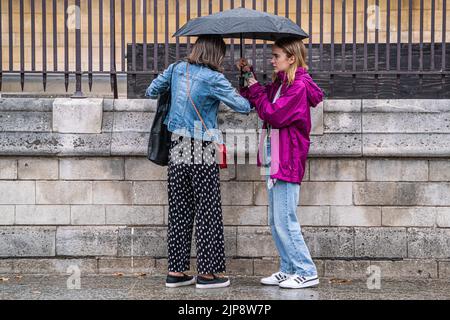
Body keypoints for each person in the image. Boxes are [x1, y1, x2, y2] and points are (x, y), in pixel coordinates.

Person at [146, 35, 251, 289]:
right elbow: (244, 106)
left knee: (180, 208)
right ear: (217, 55)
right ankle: (207, 274)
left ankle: (176, 271)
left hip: (176, 145)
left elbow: (151, 91)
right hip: (201, 146)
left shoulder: (176, 69)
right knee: (207, 208)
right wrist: (245, 78)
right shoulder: (214, 79)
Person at [237, 36, 324, 289]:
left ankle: (306, 271)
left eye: (276, 56)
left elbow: (273, 114)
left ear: (291, 58)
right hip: (273, 153)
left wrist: (253, 85)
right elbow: (257, 99)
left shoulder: (298, 86)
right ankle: (288, 269)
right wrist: (247, 75)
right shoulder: (281, 84)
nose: (272, 60)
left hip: (286, 157)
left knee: (286, 218)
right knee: (275, 219)